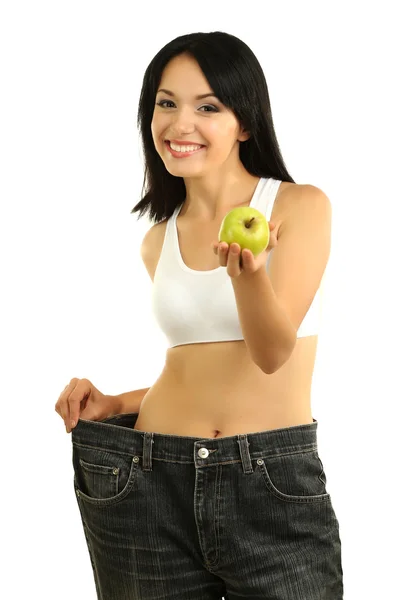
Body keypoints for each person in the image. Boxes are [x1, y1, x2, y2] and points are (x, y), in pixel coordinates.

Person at [55, 31, 343, 600]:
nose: (179, 124)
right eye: (166, 103)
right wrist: (116, 404)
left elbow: (271, 353)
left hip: (269, 482)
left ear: (245, 122)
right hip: (146, 480)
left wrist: (250, 275)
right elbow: (196, 369)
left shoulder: (297, 206)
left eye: (207, 106)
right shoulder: (157, 241)